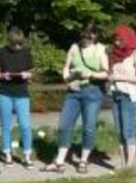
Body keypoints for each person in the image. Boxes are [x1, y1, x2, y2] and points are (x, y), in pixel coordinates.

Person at [44, 27, 110, 173]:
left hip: (92, 91)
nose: (86, 41)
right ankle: (59, 161)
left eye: (89, 38)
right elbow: (66, 67)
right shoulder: (74, 48)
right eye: (84, 38)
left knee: (89, 127)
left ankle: (83, 160)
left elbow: (106, 73)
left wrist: (90, 74)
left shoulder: (100, 49)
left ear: (94, 37)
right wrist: (68, 81)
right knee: (64, 125)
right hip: (74, 92)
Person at [105, 25, 136, 170]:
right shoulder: (113, 55)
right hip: (115, 94)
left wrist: (120, 77)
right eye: (116, 40)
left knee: (128, 131)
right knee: (119, 132)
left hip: (129, 96)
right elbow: (109, 72)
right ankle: (123, 164)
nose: (117, 43)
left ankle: (129, 166)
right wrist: (110, 77)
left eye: (120, 40)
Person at [0, 28, 36, 167]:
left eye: (19, 44)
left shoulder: (26, 52)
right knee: (6, 125)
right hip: (4, 92)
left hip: (22, 93)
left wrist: (27, 75)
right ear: (10, 42)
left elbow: (31, 72)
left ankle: (27, 155)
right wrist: (1, 75)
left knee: (25, 125)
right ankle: (7, 154)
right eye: (14, 44)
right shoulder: (0, 52)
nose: (17, 47)